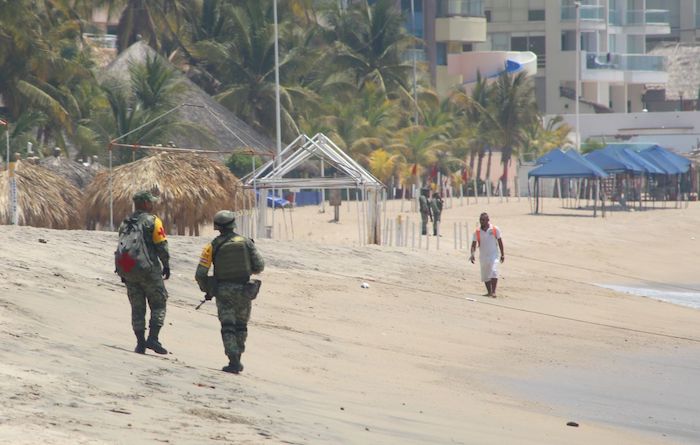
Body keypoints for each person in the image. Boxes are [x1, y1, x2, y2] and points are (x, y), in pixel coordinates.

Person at [195, 210, 265, 374]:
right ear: (233, 224)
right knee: (241, 326)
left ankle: (233, 359)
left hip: (223, 291)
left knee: (228, 326)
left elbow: (200, 274)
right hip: (244, 290)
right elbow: (259, 266)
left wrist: (208, 289)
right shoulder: (246, 243)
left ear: (217, 227)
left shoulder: (211, 246)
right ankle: (237, 357)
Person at [118, 190, 170, 354]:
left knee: (137, 307)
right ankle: (153, 339)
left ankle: (140, 343)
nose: (153, 204)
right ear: (146, 203)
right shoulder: (153, 221)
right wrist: (166, 265)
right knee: (159, 303)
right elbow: (161, 245)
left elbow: (121, 246)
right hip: (149, 270)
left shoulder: (125, 222)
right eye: (151, 202)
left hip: (129, 270)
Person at [469, 212, 504, 298]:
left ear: (488, 220)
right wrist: (472, 254)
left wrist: (502, 254)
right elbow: (473, 244)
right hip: (483, 256)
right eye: (481, 220)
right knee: (485, 275)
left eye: (484, 220)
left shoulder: (495, 229)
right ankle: (489, 292)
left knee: (494, 271)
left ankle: (494, 292)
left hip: (494, 254)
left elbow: (500, 242)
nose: (482, 221)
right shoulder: (477, 232)